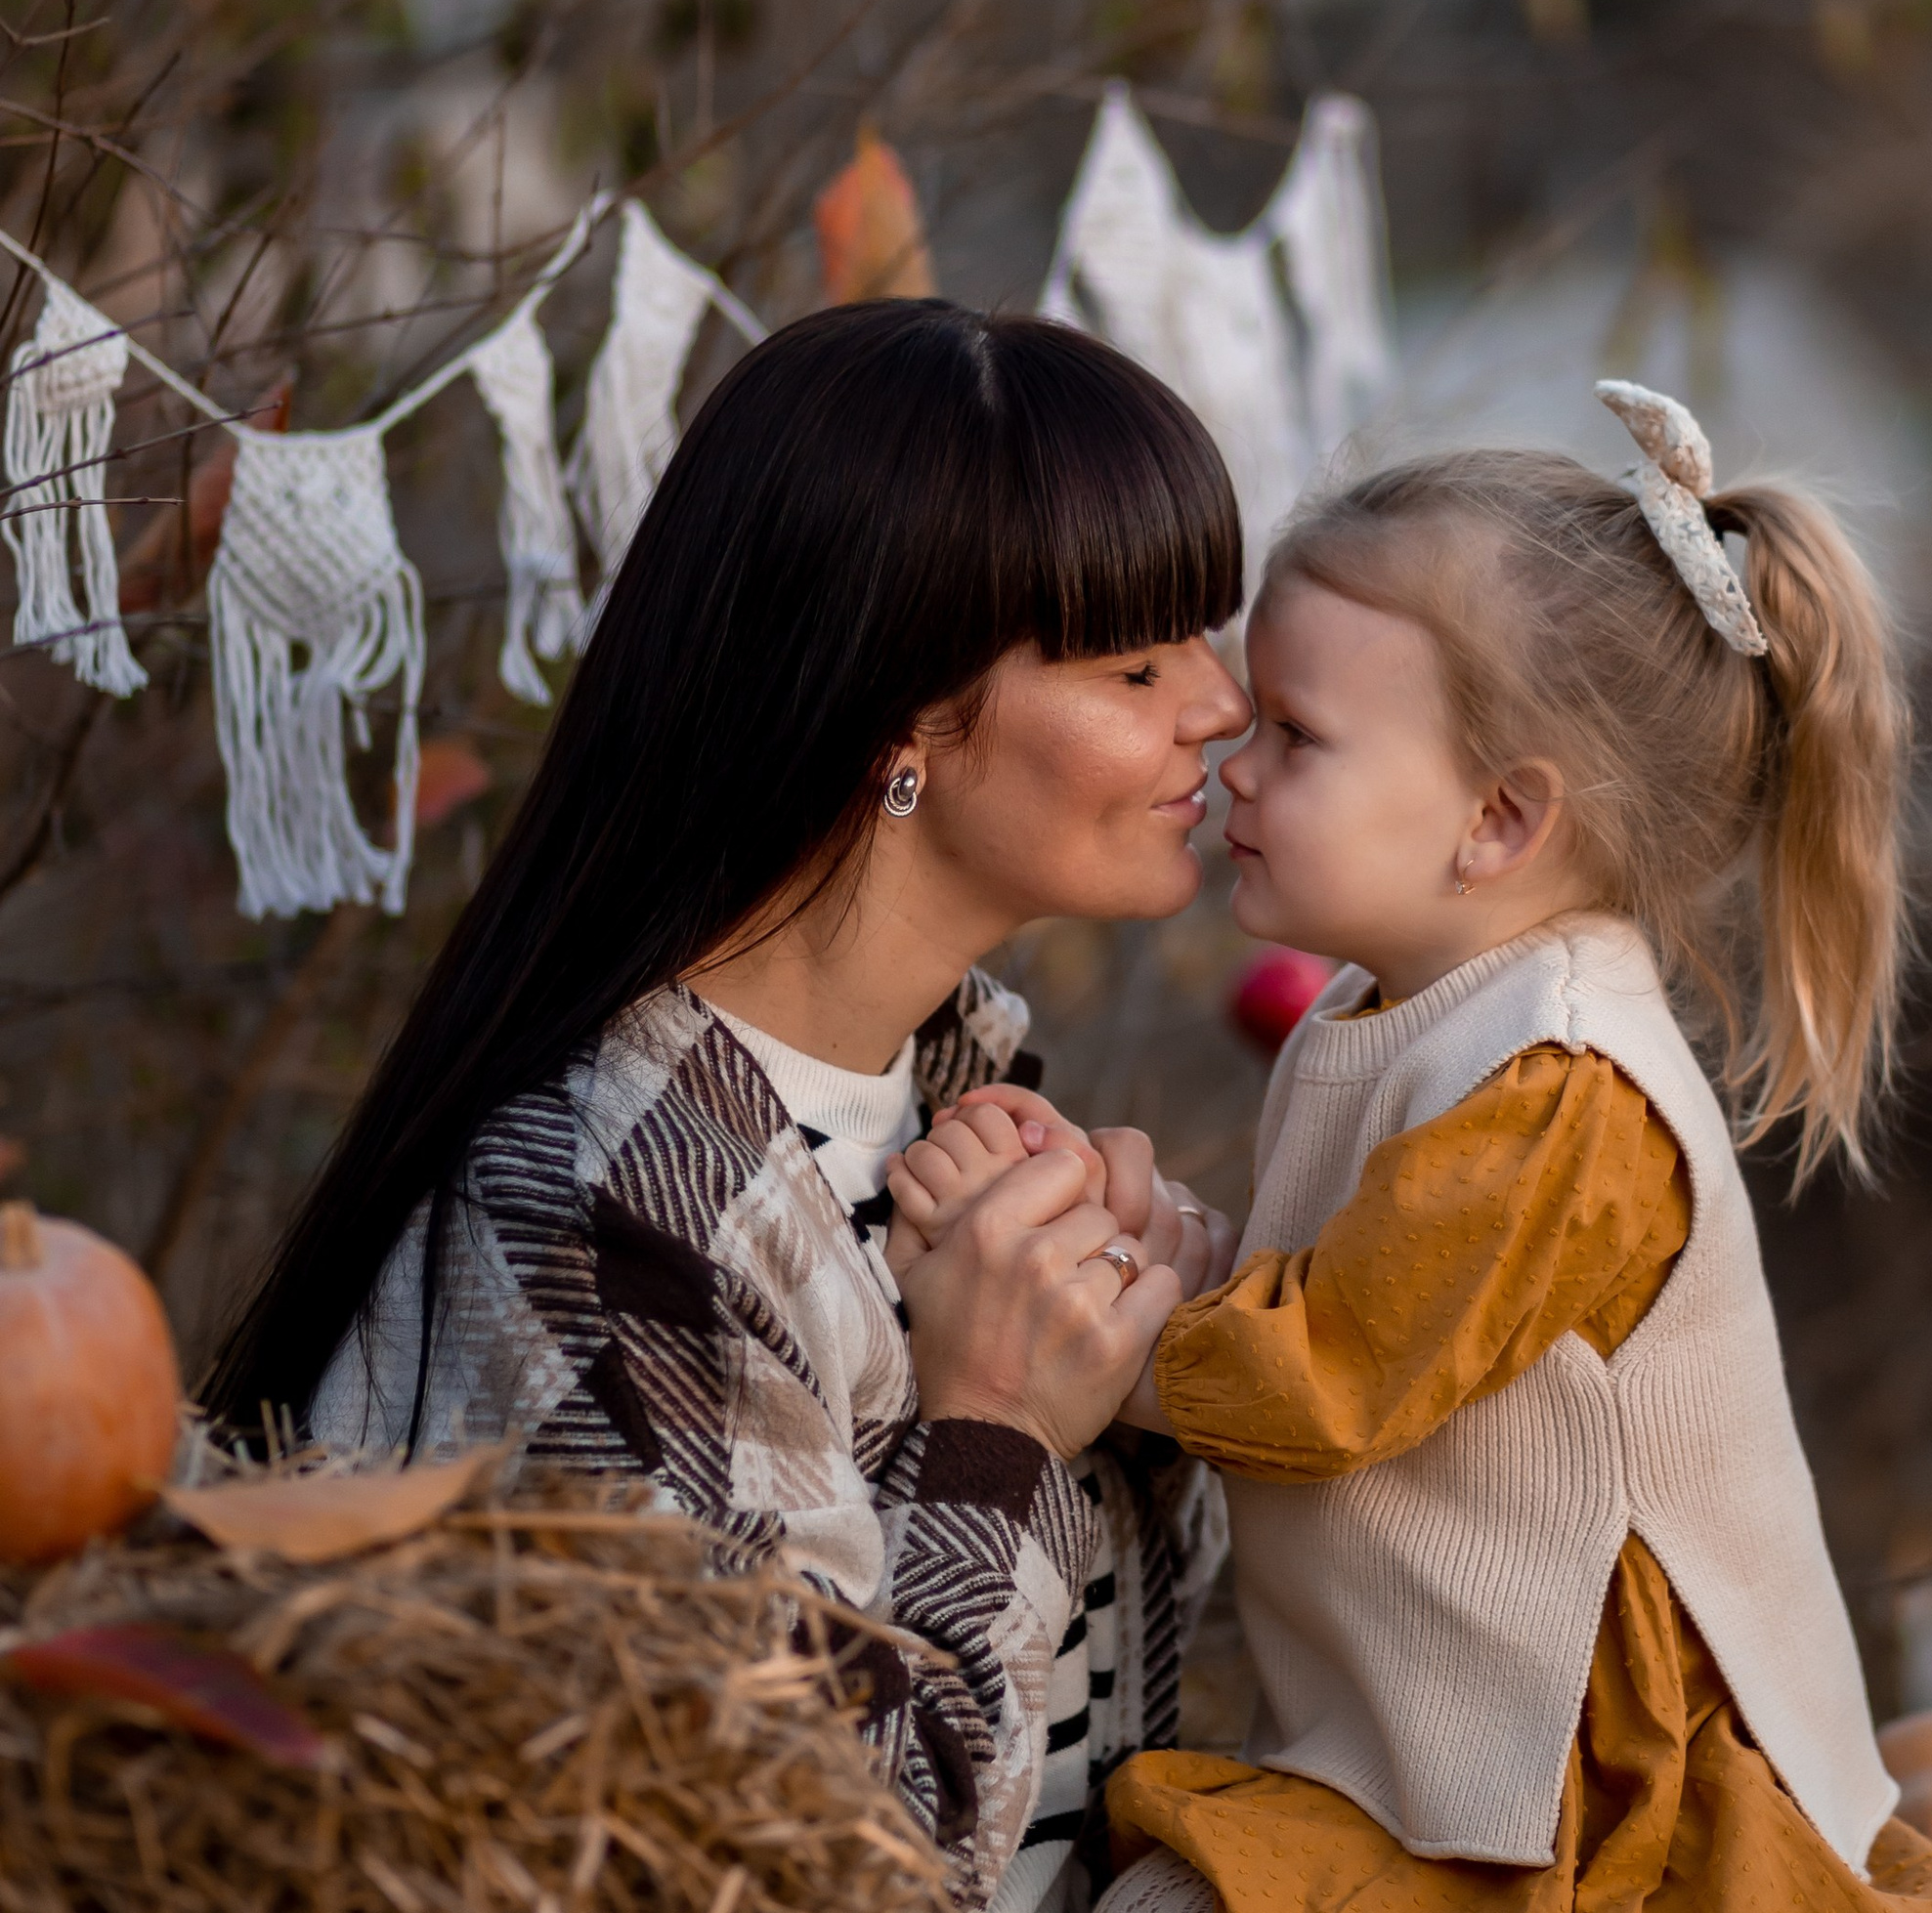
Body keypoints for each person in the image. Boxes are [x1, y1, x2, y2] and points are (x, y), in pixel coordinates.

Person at [889, 383, 1932, 1913]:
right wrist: (1150, 1247)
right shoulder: (1403, 1005)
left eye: (1299, 734)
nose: (1233, 756)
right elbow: (1349, 1292)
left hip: (1587, 1785)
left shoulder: (1559, 1091)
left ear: (1495, 822)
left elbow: (1331, 1376)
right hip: (1441, 1734)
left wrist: (1074, 1317)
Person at [206, 300, 1255, 1913]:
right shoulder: (611, 1217)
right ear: (903, 720)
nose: (1223, 707)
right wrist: (1001, 1434)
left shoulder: (952, 1097)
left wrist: (1162, 1381)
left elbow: (1093, 1725)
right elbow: (788, 1870)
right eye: (1136, 662)